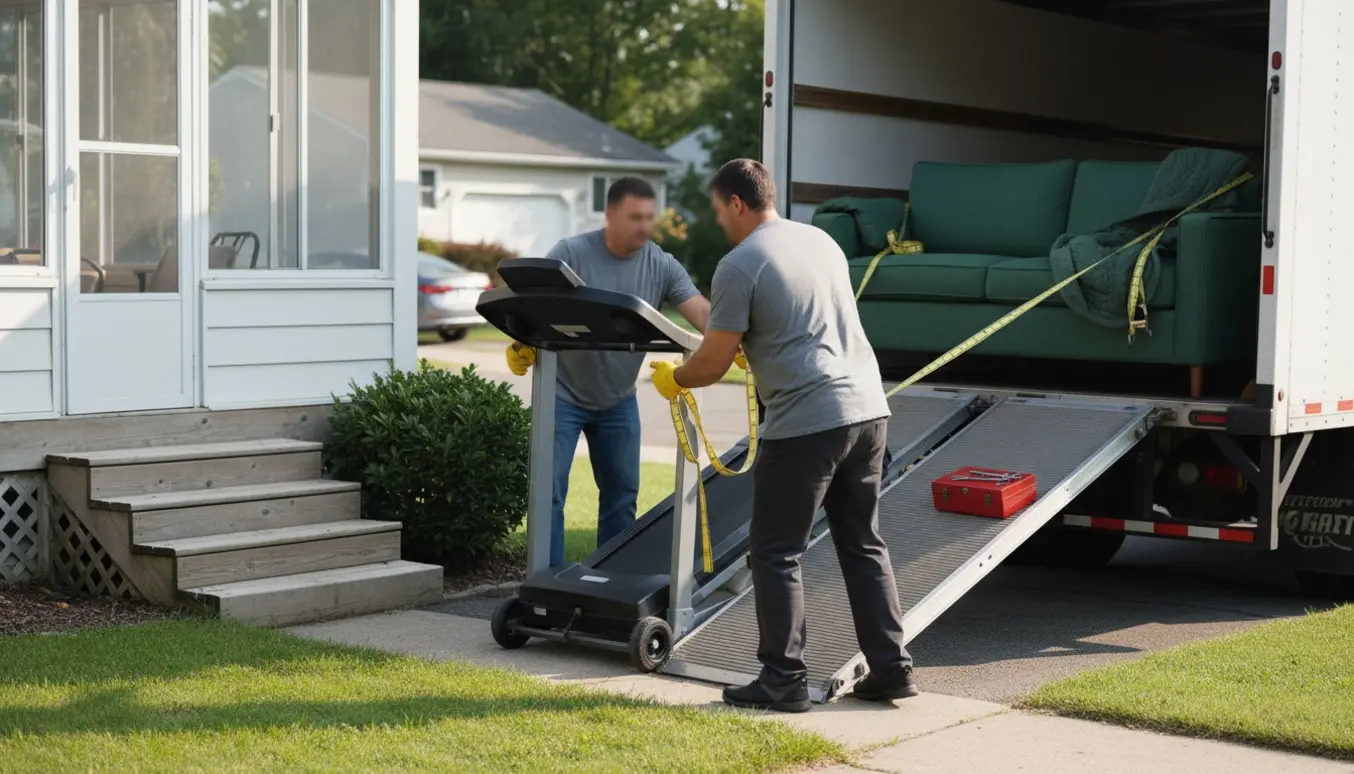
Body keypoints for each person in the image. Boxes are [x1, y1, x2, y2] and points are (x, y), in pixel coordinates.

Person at [649, 159, 916, 713]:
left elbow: (714, 361)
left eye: (720, 210)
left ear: (738, 204)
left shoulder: (739, 263)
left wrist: (676, 378)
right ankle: (892, 669)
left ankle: (783, 680)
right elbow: (803, 323)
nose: (721, 221)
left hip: (807, 422)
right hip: (868, 409)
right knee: (863, 542)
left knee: (774, 552)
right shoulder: (820, 242)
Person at [507, 176, 711, 568]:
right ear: (611, 215)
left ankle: (611, 580)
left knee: (622, 495)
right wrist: (522, 340)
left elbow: (703, 315)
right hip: (562, 393)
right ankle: (547, 581)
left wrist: (731, 341)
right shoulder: (570, 253)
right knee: (548, 492)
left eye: (650, 217)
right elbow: (530, 304)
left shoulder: (662, 264)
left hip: (619, 398)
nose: (644, 226)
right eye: (635, 217)